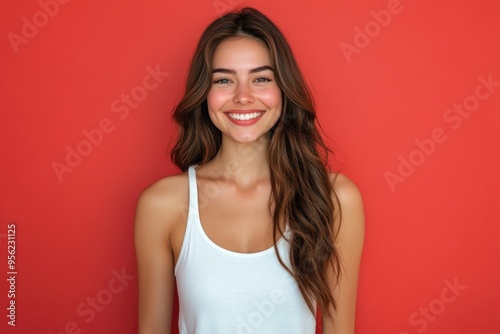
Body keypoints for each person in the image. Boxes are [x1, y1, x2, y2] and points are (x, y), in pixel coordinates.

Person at [134, 7, 365, 334]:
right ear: (205, 94)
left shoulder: (334, 198)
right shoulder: (163, 204)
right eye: (225, 80)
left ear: (283, 90)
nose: (243, 97)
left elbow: (339, 329)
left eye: (261, 78)